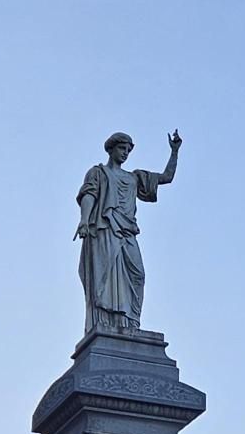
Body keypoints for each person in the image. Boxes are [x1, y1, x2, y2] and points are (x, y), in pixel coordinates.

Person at [75, 130, 180, 331]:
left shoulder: (134, 177)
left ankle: (131, 321)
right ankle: (104, 322)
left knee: (137, 275)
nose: (125, 153)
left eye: (128, 150)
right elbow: (89, 194)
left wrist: (174, 152)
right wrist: (84, 221)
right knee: (104, 276)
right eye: (122, 149)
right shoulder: (98, 173)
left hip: (128, 232)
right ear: (111, 149)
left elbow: (166, 178)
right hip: (105, 229)